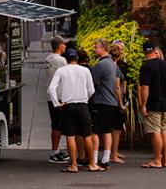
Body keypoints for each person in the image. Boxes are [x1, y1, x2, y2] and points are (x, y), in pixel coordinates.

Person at [48, 48, 103, 172]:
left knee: (70, 136)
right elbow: (91, 90)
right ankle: (92, 164)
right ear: (77, 58)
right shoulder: (85, 70)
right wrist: (85, 98)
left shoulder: (61, 71)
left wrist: (57, 104)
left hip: (67, 105)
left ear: (66, 59)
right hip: (82, 105)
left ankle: (73, 165)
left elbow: (52, 88)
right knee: (87, 135)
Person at [138, 41, 166, 168]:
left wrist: (143, 105)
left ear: (144, 52)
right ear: (154, 50)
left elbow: (144, 88)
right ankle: (165, 160)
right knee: (164, 131)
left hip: (153, 103)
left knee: (155, 132)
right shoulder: (165, 65)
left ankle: (157, 161)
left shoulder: (146, 66)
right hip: (165, 103)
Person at [89, 38, 121, 168]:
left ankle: (95, 159)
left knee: (95, 131)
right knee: (107, 131)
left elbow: (92, 82)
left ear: (102, 48)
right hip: (112, 102)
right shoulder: (113, 65)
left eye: (96, 47)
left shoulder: (101, 65)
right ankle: (105, 159)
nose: (94, 49)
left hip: (101, 101)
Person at [45, 36, 69, 164]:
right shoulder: (61, 60)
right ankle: (54, 152)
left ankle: (55, 151)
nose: (65, 46)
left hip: (51, 96)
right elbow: (67, 77)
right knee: (59, 125)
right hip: (60, 96)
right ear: (59, 45)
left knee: (55, 124)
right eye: (64, 44)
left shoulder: (48, 58)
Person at [108, 43, 127, 164]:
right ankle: (112, 154)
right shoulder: (114, 66)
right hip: (114, 99)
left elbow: (124, 83)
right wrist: (121, 102)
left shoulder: (121, 65)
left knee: (116, 128)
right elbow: (118, 87)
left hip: (114, 98)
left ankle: (113, 152)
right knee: (115, 128)